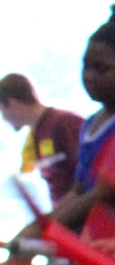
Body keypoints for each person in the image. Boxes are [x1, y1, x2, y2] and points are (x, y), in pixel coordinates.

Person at [10, 0, 115, 244]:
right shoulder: (91, 123)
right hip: (91, 240)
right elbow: (78, 191)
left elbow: (100, 196)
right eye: (86, 66)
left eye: (101, 69)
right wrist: (37, 227)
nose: (89, 76)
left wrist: (42, 232)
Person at [0, 73, 84, 204]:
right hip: (66, 210)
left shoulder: (64, 122)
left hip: (84, 208)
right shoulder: (35, 134)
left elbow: (88, 173)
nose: (4, 119)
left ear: (14, 105)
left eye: (2, 111)